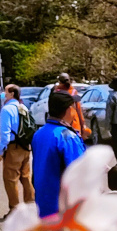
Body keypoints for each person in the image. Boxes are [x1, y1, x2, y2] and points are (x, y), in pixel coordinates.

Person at [31, 89, 86, 218]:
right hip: (64, 209)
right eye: (73, 108)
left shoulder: (39, 133)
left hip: (43, 204)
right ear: (68, 110)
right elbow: (79, 173)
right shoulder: (66, 136)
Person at [0, 84, 35, 210]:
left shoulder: (6, 110)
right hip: (25, 146)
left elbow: (5, 134)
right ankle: (30, 206)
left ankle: (14, 209)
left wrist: (0, 152)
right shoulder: (22, 107)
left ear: (12, 94)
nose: (3, 94)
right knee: (26, 177)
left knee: (11, 179)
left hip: (13, 148)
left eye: (6, 92)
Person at [56, 72, 91, 141]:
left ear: (59, 82)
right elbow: (79, 110)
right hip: (74, 125)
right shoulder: (73, 92)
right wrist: (83, 125)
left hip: (60, 125)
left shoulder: (56, 92)